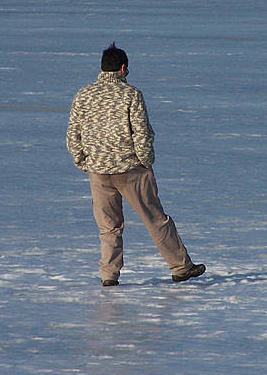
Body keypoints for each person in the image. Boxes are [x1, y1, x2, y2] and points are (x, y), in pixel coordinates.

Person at [67, 43, 205, 287]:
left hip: (97, 171)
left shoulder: (83, 94)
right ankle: (181, 267)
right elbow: (142, 134)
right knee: (155, 219)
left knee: (108, 228)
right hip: (130, 170)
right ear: (123, 69)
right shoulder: (131, 94)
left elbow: (72, 136)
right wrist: (145, 162)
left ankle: (109, 276)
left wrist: (84, 162)